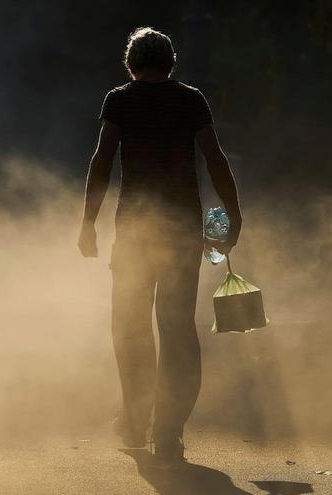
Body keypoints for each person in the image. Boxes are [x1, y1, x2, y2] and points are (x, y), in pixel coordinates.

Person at [78, 28, 241, 466]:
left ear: (131, 64)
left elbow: (101, 162)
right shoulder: (191, 100)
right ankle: (170, 432)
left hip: (135, 232)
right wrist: (234, 212)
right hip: (182, 232)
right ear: (170, 63)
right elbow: (215, 158)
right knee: (177, 329)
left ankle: (135, 419)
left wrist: (88, 223)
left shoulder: (120, 100)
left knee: (130, 326)